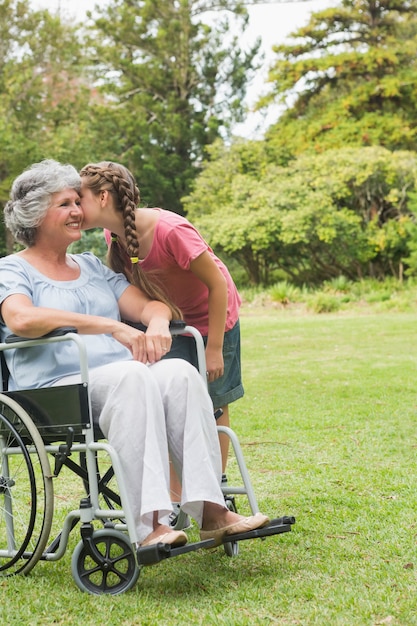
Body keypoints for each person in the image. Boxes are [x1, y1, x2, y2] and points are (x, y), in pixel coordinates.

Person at [0, 159, 269, 552]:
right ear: (36, 214)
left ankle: (213, 512)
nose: (78, 211)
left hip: (118, 380)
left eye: (78, 201)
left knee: (177, 371)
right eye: (65, 204)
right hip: (55, 392)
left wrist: (157, 322)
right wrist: (109, 326)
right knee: (134, 376)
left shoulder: (90, 266)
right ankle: (151, 525)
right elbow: (21, 318)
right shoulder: (12, 269)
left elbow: (149, 306)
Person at [78, 161, 244, 485]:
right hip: (170, 320)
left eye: (78, 197)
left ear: (101, 198)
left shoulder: (171, 230)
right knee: (167, 398)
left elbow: (218, 285)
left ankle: (217, 481)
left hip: (212, 321)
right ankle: (176, 494)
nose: (74, 207)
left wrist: (214, 349)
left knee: (214, 401)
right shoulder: (113, 235)